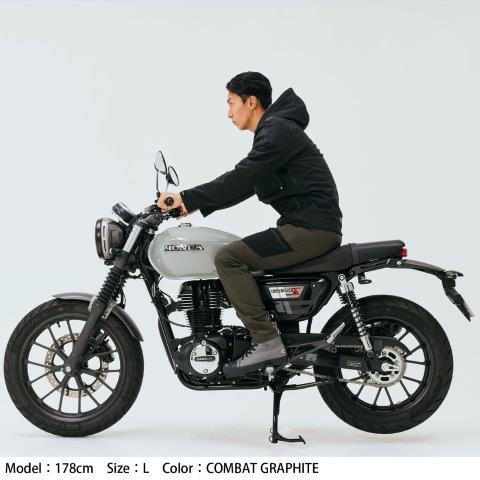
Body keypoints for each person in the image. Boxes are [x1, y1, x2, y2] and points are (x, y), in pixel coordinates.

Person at [157, 71, 342, 377]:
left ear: (251, 102)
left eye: (231, 103)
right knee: (238, 254)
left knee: (229, 258)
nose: (228, 113)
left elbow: (243, 177)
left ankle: (266, 341)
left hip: (311, 229)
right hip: (307, 226)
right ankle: (276, 339)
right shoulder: (277, 131)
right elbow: (247, 183)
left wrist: (188, 197)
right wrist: (190, 204)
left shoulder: (277, 130)